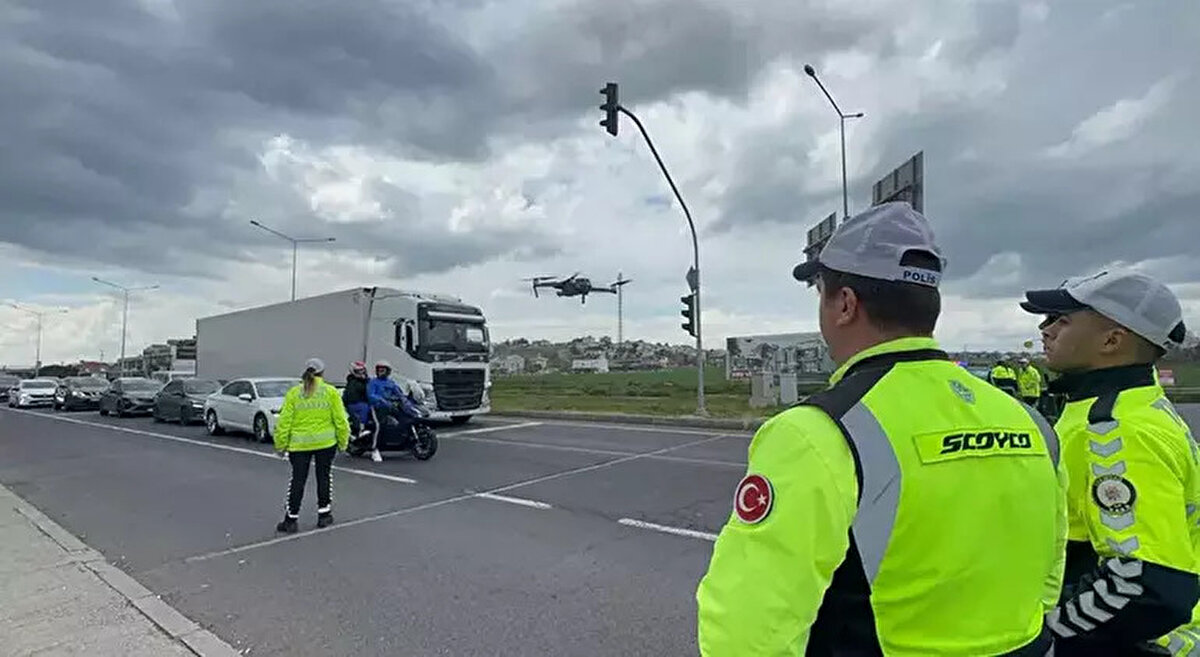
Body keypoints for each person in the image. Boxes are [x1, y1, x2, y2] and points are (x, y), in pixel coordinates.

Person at [696, 202, 1066, 656]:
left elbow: (750, 625)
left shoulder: (818, 431)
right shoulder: (1029, 421)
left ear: (846, 304)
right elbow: (1050, 570)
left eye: (821, 295)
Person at [1019, 269, 1198, 655]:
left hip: (1143, 644)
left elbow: (1147, 585)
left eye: (1060, 320)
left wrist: (1038, 633)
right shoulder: (1126, 407)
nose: (1044, 329)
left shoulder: (1116, 430)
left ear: (1112, 340)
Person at [273, 358, 350, 533]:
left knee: (298, 480)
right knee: (324, 477)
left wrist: (281, 445)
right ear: (322, 373)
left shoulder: (294, 393)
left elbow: (284, 422)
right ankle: (324, 515)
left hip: (299, 445)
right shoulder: (330, 392)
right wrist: (343, 442)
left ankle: (291, 519)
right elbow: (341, 420)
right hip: (325, 443)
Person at [365, 360, 406, 463]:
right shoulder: (373, 382)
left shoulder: (391, 383)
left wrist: (404, 399)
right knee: (379, 425)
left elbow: (398, 392)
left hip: (389, 406)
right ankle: (375, 449)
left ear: (388, 371)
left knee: (404, 417)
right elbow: (371, 395)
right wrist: (381, 400)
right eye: (379, 370)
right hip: (377, 408)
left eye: (383, 370)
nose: (380, 372)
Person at [342, 360, 371, 438]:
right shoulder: (353, 382)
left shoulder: (365, 381)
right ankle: (359, 430)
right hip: (355, 404)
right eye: (358, 371)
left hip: (361, 404)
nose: (361, 373)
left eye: (363, 370)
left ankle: (359, 430)